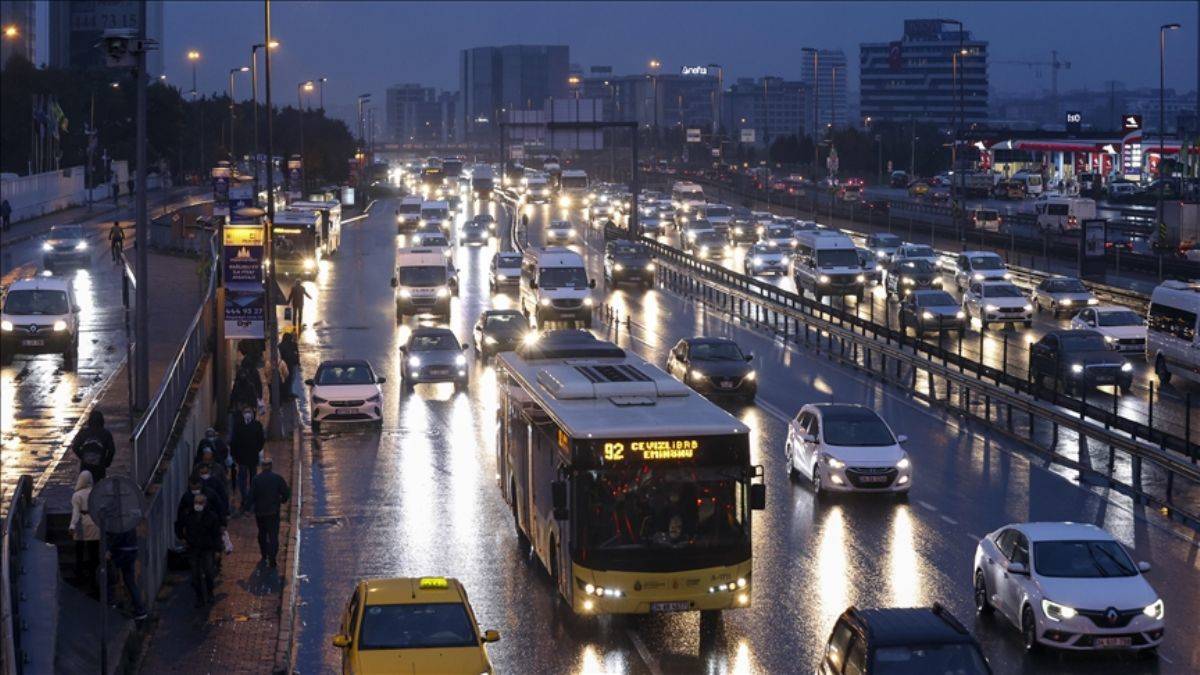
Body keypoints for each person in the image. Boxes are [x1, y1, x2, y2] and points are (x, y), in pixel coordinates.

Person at [174, 492, 222, 607]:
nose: (198, 505)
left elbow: (216, 534)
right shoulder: (188, 515)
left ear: (205, 504)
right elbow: (179, 525)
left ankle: (210, 594)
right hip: (193, 547)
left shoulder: (211, 517)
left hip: (207, 548)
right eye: (196, 502)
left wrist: (217, 550)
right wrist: (182, 537)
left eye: (200, 503)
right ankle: (199, 597)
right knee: (195, 575)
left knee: (208, 572)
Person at [246, 457, 290, 567]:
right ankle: (272, 557)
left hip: (260, 512)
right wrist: (282, 500)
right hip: (273, 512)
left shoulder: (256, 479)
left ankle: (264, 554)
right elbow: (286, 492)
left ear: (262, 467)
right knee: (273, 535)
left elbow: (251, 496)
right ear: (271, 466)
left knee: (262, 533)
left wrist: (247, 509)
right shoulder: (277, 478)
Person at [105, 526, 147, 620]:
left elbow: (115, 533)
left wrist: (108, 548)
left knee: (108, 576)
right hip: (132, 548)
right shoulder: (129, 519)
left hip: (120, 550)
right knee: (130, 581)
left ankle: (111, 603)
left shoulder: (116, 520)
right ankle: (140, 610)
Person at [69, 470, 101, 590]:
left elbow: (76, 513)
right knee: (94, 554)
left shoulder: (77, 495)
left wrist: (72, 526)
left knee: (79, 552)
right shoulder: (96, 493)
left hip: (82, 525)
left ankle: (80, 575)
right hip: (96, 524)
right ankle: (94, 580)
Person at [230, 406, 265, 511]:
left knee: (253, 479)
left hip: (253, 457)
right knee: (242, 479)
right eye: (246, 412)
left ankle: (252, 498)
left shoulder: (257, 425)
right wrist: (235, 455)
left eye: (249, 412)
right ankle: (244, 498)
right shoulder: (238, 426)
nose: (247, 414)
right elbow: (234, 441)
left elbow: (261, 440)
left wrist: (257, 449)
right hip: (241, 458)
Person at [71, 410, 116, 482]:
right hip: (100, 466)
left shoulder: (83, 433)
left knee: (85, 483)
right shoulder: (106, 434)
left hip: (86, 465)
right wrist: (107, 462)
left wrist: (82, 456)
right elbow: (111, 450)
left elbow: (75, 447)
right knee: (99, 485)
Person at [279, 332, 300, 400]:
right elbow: (296, 354)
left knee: (290, 379)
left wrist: (297, 362)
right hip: (286, 365)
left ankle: (289, 393)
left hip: (290, 364)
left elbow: (296, 354)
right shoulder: (282, 346)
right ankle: (287, 394)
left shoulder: (292, 345)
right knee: (288, 379)